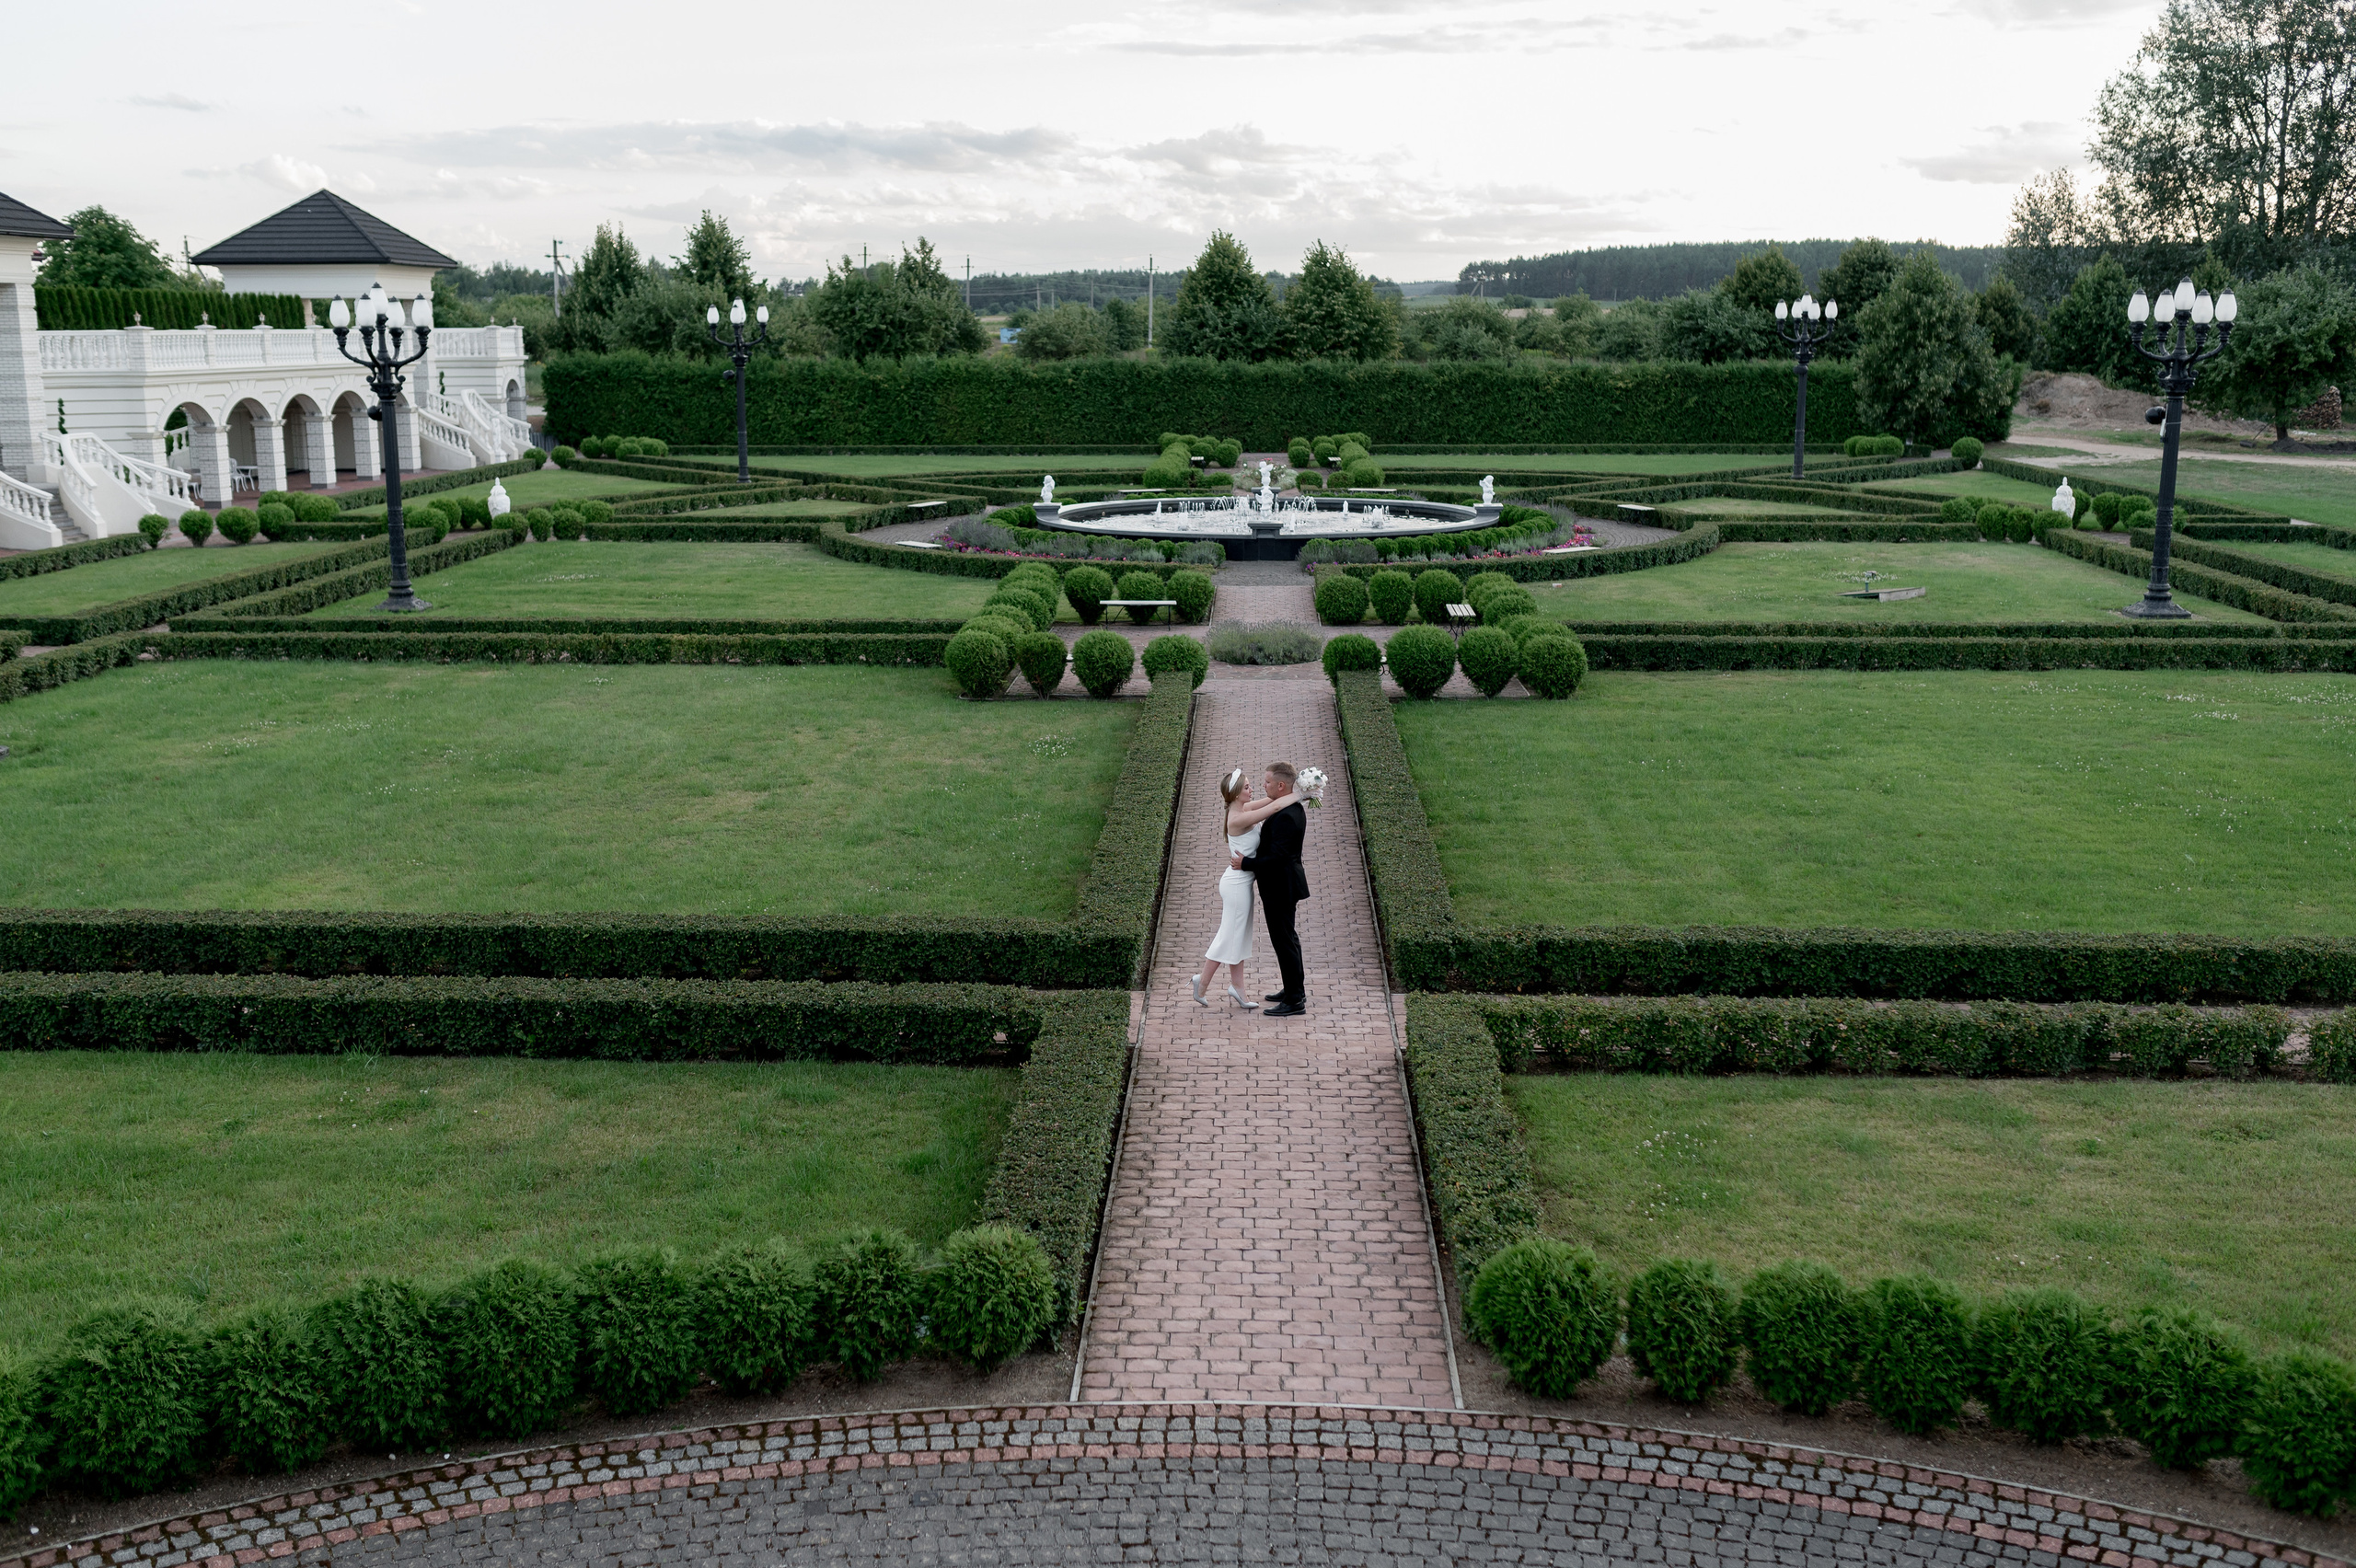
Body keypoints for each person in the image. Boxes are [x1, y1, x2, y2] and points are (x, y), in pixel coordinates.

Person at [1193, 766, 1298, 1009]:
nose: (1253, 790)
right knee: (1230, 935)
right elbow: (1273, 807)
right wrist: (1301, 793)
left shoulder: (1241, 807)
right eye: (1248, 787)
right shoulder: (1239, 817)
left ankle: (1237, 989)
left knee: (1236, 936)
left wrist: (1296, 788)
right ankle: (1203, 981)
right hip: (1237, 886)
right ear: (1237, 793)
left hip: (1240, 883)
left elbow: (1270, 799)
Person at [1239, 761, 1311, 1017]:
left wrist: (1245, 863)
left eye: (1267, 781)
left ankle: (1294, 1000)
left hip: (1281, 887)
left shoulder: (1287, 816)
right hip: (1282, 885)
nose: (1263, 785)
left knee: (1284, 942)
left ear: (1281, 785)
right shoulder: (1288, 808)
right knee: (1288, 939)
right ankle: (1294, 990)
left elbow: (1277, 859)